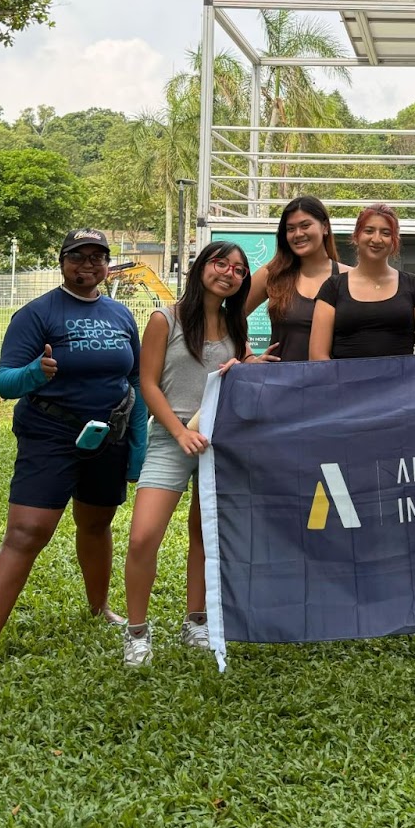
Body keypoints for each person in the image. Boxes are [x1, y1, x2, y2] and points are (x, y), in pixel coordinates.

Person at [0, 229, 147, 685]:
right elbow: (5, 384)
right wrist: (35, 373)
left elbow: (136, 383)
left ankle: (99, 607)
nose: (89, 264)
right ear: (61, 262)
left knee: (97, 524)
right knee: (26, 533)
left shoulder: (121, 315)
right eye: (78, 256)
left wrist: (137, 447)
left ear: (107, 264)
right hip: (51, 433)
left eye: (98, 257)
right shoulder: (37, 314)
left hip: (108, 435)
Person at [122, 241, 261, 669]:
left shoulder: (236, 324)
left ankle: (196, 620)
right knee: (144, 536)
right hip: (172, 438)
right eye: (221, 263)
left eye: (239, 270)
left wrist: (252, 363)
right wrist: (180, 431)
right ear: (203, 266)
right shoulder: (166, 318)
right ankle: (137, 633)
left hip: (221, 443)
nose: (229, 273)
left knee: (204, 536)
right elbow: (147, 384)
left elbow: (237, 368)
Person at [310, 203, 415, 646]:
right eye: (369, 230)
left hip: (402, 418)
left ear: (395, 240)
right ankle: (356, 603)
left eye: (386, 232)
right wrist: (349, 404)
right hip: (347, 418)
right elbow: (318, 358)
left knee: (407, 511)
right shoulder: (333, 288)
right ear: (356, 236)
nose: (377, 238)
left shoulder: (414, 288)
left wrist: (404, 406)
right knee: (350, 512)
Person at [247, 195, 346, 360]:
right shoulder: (271, 275)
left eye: (305, 225)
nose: (298, 234)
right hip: (279, 382)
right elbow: (230, 318)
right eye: (290, 229)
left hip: (331, 383)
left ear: (325, 227)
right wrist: (248, 357)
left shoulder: (348, 277)